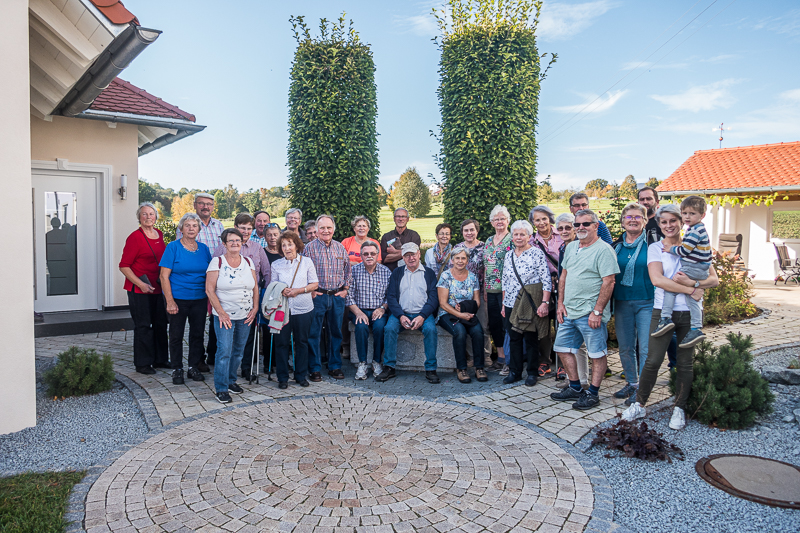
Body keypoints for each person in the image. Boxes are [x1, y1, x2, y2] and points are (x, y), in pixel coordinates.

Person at [623, 204, 719, 430]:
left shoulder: (697, 244)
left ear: (681, 221)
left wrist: (693, 283)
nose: (668, 226)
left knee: (685, 363)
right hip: (662, 312)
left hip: (689, 313)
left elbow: (713, 280)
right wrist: (690, 289)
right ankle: (640, 404)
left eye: (673, 221)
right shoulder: (655, 248)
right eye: (663, 222)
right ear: (659, 224)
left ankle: (679, 408)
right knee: (653, 361)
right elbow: (657, 280)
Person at [550, 209, 620, 410]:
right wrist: (560, 304)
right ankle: (575, 387)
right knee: (562, 348)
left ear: (596, 226)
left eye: (585, 224)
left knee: (596, 353)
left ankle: (593, 393)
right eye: (577, 224)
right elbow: (563, 276)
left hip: (590, 313)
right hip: (569, 310)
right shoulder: (571, 247)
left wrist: (597, 311)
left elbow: (609, 281)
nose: (580, 227)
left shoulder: (604, 250)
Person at [212, 214, 271, 381]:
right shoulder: (221, 251)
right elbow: (212, 280)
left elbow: (266, 272)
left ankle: (244, 370)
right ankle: (222, 381)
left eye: (248, 228)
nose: (245, 231)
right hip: (225, 306)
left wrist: (264, 298)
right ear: (236, 227)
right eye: (242, 228)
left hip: (249, 302)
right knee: (225, 346)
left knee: (244, 341)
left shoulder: (256, 249)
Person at [206, 229, 259, 404]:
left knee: (238, 351)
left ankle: (230, 381)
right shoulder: (217, 262)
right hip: (224, 316)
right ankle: (221, 388)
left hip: (246, 315)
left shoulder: (248, 262)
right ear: (224, 244)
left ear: (242, 242)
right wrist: (221, 312)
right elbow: (209, 289)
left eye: (238, 240)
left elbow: (255, 288)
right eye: (231, 241)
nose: (235, 243)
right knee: (224, 351)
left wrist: (256, 307)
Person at [160, 213, 213, 385]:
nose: (191, 228)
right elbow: (163, 276)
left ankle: (192, 367)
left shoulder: (204, 249)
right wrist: (169, 301)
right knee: (176, 335)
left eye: (194, 226)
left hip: (199, 299)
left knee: (197, 335)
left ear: (199, 229)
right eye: (188, 225)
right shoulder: (173, 247)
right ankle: (177, 368)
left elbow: (210, 274)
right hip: (178, 299)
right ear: (181, 228)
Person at [653, 195, 712, 348]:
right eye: (685, 213)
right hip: (699, 268)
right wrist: (693, 289)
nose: (688, 217)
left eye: (692, 214)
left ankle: (665, 319)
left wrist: (671, 249)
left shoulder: (693, 232)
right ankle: (696, 328)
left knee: (672, 286)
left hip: (694, 269)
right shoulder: (697, 230)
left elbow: (685, 251)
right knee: (692, 299)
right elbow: (657, 280)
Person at [176, 192, 224, 372]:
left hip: (218, 279)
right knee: (197, 325)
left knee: (216, 318)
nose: (206, 207)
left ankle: (213, 354)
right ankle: (197, 360)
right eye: (202, 204)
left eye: (209, 204)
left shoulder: (219, 226)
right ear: (195, 205)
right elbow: (179, 251)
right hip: (194, 283)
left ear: (213, 207)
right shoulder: (188, 224)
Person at [378, 243, 439, 383]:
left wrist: (422, 316)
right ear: (403, 258)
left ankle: (431, 369)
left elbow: (433, 298)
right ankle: (389, 367)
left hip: (423, 313)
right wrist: (400, 315)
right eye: (407, 255)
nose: (411, 258)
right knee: (389, 328)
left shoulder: (428, 273)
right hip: (401, 313)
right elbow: (391, 296)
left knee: (430, 330)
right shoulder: (397, 273)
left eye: (413, 254)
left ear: (419, 254)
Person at [118, 202, 168, 374]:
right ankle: (143, 363)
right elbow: (124, 266)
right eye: (144, 214)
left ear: (156, 217)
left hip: (158, 288)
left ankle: (160, 359)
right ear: (139, 217)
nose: (148, 217)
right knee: (144, 325)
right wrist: (141, 284)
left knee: (161, 324)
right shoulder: (135, 237)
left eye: (151, 214)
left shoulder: (159, 234)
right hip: (140, 289)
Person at [611, 203, 653, 404]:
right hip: (622, 302)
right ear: (622, 222)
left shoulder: (653, 245)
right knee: (626, 347)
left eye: (638, 217)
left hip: (647, 301)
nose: (633, 220)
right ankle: (631, 382)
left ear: (645, 221)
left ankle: (643, 390)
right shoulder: (615, 247)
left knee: (645, 348)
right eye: (629, 217)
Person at [501, 220, 550, 386]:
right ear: (512, 237)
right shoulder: (509, 255)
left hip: (529, 302)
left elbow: (546, 279)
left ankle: (532, 372)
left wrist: (545, 302)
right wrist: (503, 304)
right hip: (510, 303)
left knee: (531, 338)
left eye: (522, 234)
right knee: (514, 337)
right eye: (516, 234)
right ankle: (514, 371)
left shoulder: (536, 253)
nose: (519, 237)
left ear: (529, 236)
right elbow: (505, 281)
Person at [304, 214, 351, 381]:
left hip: (337, 296)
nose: (326, 231)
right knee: (314, 333)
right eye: (322, 228)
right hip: (318, 296)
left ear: (333, 229)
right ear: (316, 230)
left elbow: (348, 270)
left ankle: (335, 366)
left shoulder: (340, 247)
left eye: (329, 228)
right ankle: (314, 368)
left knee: (336, 333)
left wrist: (345, 289)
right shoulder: (309, 248)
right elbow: (303, 272)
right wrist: (309, 291)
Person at [270, 231, 319, 389]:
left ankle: (300, 375)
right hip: (282, 309)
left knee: (302, 342)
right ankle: (282, 378)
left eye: (290, 244)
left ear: (296, 245)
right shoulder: (276, 265)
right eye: (283, 245)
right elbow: (273, 286)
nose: (287, 248)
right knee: (281, 343)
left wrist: (298, 290)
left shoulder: (307, 262)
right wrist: (281, 290)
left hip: (303, 308)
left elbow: (314, 284)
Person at [438, 248, 487, 383]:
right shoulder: (445, 276)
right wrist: (459, 313)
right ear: (452, 260)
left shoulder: (472, 277)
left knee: (478, 332)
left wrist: (467, 310)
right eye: (457, 258)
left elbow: (477, 301)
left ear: (467, 260)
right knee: (459, 331)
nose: (460, 261)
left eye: (463, 258)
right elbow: (443, 303)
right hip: (448, 313)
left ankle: (479, 367)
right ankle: (462, 369)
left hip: (468, 312)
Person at [449, 219, 491, 367]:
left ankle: (486, 355)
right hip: (462, 294)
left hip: (479, 292)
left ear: (477, 231)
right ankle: (472, 356)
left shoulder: (484, 247)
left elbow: (488, 271)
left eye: (472, 230)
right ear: (462, 232)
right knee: (466, 324)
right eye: (466, 230)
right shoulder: (458, 248)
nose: (469, 233)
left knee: (483, 325)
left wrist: (485, 290)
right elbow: (451, 270)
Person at [346, 241, 391, 380]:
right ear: (361, 255)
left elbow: (390, 296)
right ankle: (362, 363)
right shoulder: (354, 271)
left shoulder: (386, 272)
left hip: (379, 310)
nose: (369, 256)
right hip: (359, 310)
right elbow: (348, 295)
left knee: (379, 327)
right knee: (361, 327)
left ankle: (377, 362)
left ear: (378, 255)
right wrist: (358, 312)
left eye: (372, 253)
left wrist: (383, 308)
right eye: (366, 254)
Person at [554, 212, 589, 387]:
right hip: (566, 298)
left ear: (575, 228)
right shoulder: (563, 248)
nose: (564, 231)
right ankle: (572, 378)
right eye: (560, 228)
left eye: (568, 227)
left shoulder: (580, 246)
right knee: (568, 342)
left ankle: (582, 380)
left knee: (579, 342)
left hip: (579, 298)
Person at [528, 205, 563, 378]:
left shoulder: (562, 235)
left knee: (562, 324)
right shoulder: (531, 241)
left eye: (544, 218)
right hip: (542, 288)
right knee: (542, 325)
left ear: (550, 218)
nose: (541, 222)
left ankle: (563, 363)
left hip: (563, 285)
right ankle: (545, 361)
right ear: (533, 223)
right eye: (537, 220)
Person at [483, 205, 513, 373]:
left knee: (507, 324)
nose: (500, 221)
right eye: (496, 219)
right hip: (490, 290)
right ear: (492, 222)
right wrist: (485, 289)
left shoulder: (512, 239)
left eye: (502, 218)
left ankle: (510, 359)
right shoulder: (488, 241)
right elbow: (486, 266)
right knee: (494, 324)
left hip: (507, 290)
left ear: (508, 221)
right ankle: (500, 357)